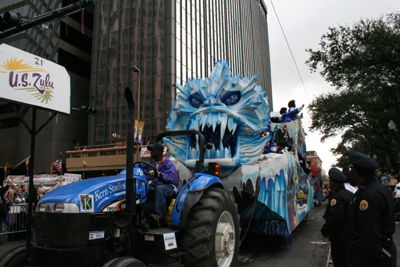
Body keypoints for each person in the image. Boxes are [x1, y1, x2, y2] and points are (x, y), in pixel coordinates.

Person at [346, 151, 397, 267]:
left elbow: (370, 235)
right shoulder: (380, 189)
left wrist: (361, 262)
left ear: (356, 172)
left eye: (351, 170)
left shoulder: (367, 195)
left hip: (375, 257)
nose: (350, 173)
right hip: (384, 251)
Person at [140, 143, 179, 228]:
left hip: (169, 187)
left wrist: (159, 175)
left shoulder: (168, 164)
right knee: (142, 190)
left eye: (153, 150)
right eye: (150, 150)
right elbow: (139, 165)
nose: (151, 152)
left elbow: (171, 178)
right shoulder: (151, 163)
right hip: (155, 187)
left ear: (160, 152)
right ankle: (142, 216)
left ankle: (158, 217)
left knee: (160, 189)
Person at [321, 168, 353, 267]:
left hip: (340, 238)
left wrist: (325, 229)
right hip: (350, 236)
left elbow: (335, 218)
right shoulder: (350, 195)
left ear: (332, 182)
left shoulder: (337, 198)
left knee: (340, 262)